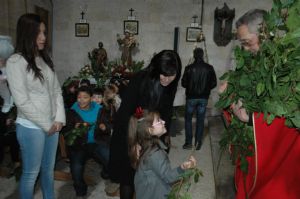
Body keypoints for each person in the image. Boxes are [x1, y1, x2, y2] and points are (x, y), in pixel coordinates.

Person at [220, 9, 300, 199]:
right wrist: (229, 96)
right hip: (252, 151)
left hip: (279, 163)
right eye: (242, 44)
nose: (245, 49)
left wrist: (250, 119)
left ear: (265, 33)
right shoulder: (252, 63)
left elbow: (289, 117)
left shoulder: (290, 66)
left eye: (247, 42)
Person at [6, 13, 66, 199]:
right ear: (26, 33)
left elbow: (56, 91)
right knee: (31, 175)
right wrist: (47, 124)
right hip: (31, 127)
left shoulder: (44, 59)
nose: (43, 37)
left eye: (44, 32)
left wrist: (59, 119)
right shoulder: (15, 62)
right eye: (38, 32)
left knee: (48, 171)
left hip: (52, 125)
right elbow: (22, 101)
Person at [108, 50, 182, 199]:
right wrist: (133, 142)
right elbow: (125, 114)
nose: (167, 79)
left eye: (171, 75)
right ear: (156, 69)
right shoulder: (140, 79)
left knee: (149, 177)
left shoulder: (171, 85)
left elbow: (166, 112)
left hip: (152, 134)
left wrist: (164, 135)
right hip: (129, 131)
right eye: (164, 74)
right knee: (128, 176)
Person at [128, 111, 197, 199]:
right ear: (150, 130)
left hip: (145, 190)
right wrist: (183, 168)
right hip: (152, 194)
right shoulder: (155, 154)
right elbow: (168, 177)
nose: (163, 122)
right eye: (159, 121)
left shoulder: (142, 143)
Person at [62, 86, 110, 197]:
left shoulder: (99, 109)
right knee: (76, 168)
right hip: (79, 145)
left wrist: (104, 127)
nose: (81, 100)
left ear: (91, 98)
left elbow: (109, 124)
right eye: (79, 97)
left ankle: (106, 173)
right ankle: (81, 191)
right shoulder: (72, 111)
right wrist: (74, 128)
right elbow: (66, 131)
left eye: (85, 97)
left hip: (97, 142)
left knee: (110, 158)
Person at [181, 48, 217, 150]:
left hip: (191, 98)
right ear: (202, 55)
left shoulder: (189, 68)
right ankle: (197, 144)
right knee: (200, 121)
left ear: (194, 55)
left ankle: (188, 143)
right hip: (203, 98)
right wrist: (206, 88)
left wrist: (190, 85)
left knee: (188, 120)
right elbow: (214, 83)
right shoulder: (209, 68)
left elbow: (183, 83)